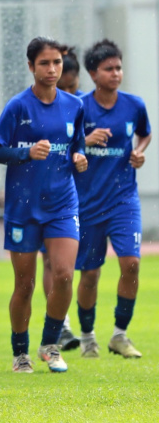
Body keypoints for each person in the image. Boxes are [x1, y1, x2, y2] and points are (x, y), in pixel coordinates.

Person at [0, 36, 88, 374]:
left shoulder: (74, 106)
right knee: (25, 284)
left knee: (62, 275)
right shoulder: (17, 107)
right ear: (31, 66)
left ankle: (50, 345)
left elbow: (77, 145)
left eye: (57, 63)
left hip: (62, 203)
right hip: (23, 207)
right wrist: (25, 153)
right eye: (44, 63)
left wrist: (80, 156)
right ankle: (20, 352)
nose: (52, 69)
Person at [74, 39, 151, 359]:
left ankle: (120, 334)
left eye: (119, 68)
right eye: (109, 69)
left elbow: (145, 132)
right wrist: (84, 140)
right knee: (90, 273)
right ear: (93, 73)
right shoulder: (80, 107)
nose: (116, 74)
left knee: (131, 263)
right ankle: (88, 336)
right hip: (88, 202)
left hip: (124, 199)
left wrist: (139, 152)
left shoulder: (134, 105)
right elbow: (64, 141)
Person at [39, 46, 85, 352]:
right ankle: (62, 326)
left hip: (85, 195)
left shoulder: (80, 105)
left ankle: (80, 329)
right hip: (45, 197)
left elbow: (78, 143)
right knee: (50, 264)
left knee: (74, 270)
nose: (67, 90)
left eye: (71, 85)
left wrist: (83, 149)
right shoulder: (34, 105)